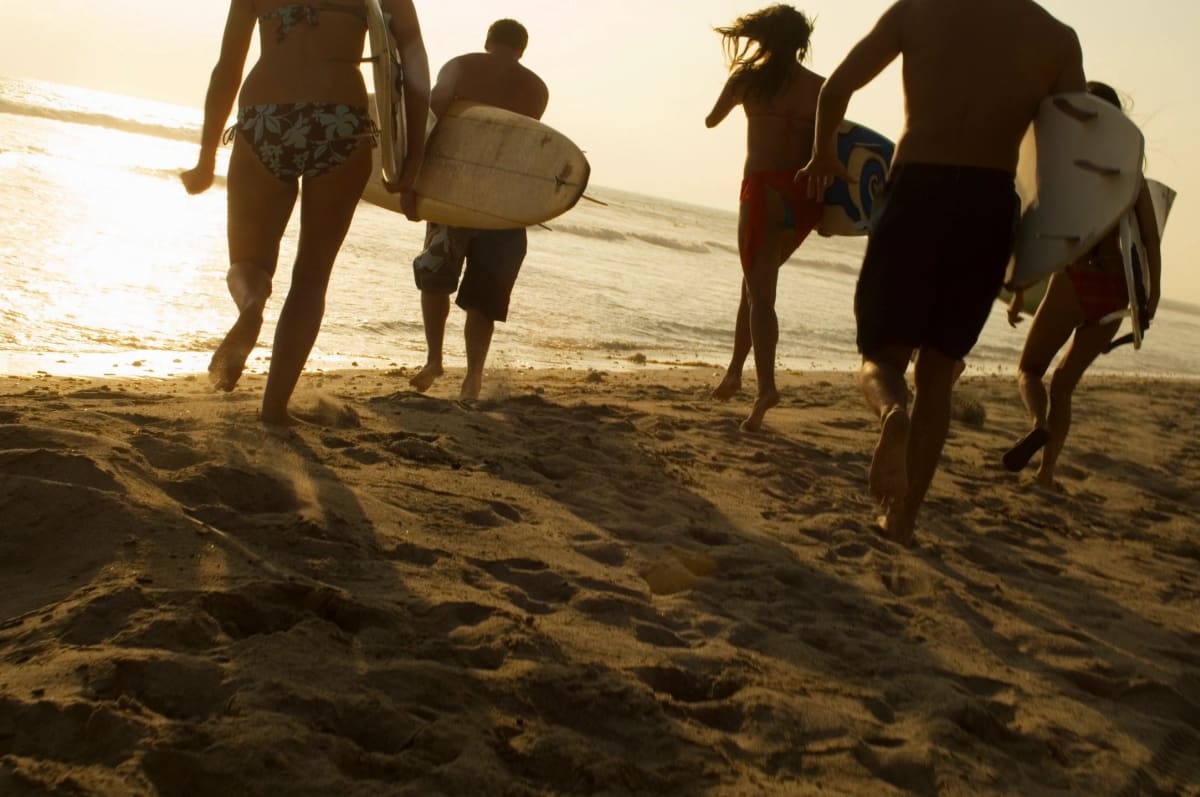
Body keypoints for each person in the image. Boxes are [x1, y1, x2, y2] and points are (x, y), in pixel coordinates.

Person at [797, 0, 1086, 544]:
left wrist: (823, 156)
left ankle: (890, 416)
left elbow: (835, 89)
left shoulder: (918, 10)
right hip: (988, 205)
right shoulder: (1056, 39)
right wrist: (1034, 256)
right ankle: (902, 520)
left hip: (917, 190)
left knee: (881, 359)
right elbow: (1066, 162)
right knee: (938, 374)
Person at [182, 0, 430, 425]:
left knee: (248, 261)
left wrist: (206, 159)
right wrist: (410, 159)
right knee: (312, 277)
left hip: (265, 117)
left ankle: (251, 306)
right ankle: (274, 408)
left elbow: (228, 67)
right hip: (341, 120)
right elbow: (414, 68)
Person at [1003, 83, 1162, 486]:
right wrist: (1151, 296)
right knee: (1065, 386)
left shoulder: (1071, 171)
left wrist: (1021, 287)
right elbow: (1150, 239)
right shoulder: (1132, 178)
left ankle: (1038, 423)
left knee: (1030, 370)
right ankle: (1046, 473)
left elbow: (1047, 234)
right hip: (1118, 293)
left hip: (1077, 278)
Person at [407, 19, 549, 401]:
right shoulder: (537, 89)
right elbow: (525, 150)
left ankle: (434, 360)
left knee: (436, 276)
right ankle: (473, 379)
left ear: (488, 40)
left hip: (455, 196)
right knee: (484, 294)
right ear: (522, 49)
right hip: (502, 205)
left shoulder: (460, 66)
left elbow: (430, 123)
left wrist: (411, 184)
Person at [705, 5, 825, 432]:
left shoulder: (748, 80)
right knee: (753, 286)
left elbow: (711, 120)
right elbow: (828, 149)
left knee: (761, 297)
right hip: (801, 200)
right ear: (801, 43)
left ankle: (766, 388)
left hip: (761, 192)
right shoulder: (820, 88)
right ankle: (735, 372)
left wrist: (739, 89)